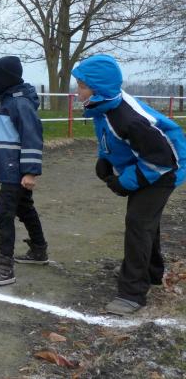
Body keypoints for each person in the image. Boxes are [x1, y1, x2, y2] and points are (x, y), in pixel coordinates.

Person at [72, 54, 186, 316]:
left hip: (165, 169)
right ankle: (152, 273)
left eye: (81, 86)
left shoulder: (127, 118)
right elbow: (112, 139)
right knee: (145, 222)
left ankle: (132, 293)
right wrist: (104, 158)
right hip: (149, 164)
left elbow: (160, 160)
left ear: (98, 89)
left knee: (138, 222)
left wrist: (123, 183)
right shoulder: (105, 106)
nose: (77, 92)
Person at [0, 56, 47, 286]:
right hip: (7, 170)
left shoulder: (20, 104)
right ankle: (39, 250)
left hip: (16, 171)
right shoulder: (4, 105)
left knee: (4, 213)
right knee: (25, 208)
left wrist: (30, 172)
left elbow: (32, 138)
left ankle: (5, 267)